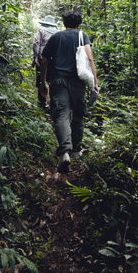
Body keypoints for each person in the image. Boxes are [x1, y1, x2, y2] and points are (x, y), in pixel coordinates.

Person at [38, 11, 99, 173]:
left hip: (57, 81)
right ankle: (76, 150)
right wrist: (95, 83)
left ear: (64, 23)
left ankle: (65, 151)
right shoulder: (82, 35)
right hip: (78, 81)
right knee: (79, 113)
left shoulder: (56, 37)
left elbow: (44, 60)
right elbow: (90, 59)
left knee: (62, 114)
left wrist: (43, 83)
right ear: (79, 23)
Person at [31, 15, 59, 108]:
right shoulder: (58, 33)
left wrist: (36, 57)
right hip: (54, 61)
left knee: (40, 81)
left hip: (42, 59)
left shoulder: (41, 31)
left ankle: (42, 105)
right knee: (53, 82)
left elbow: (36, 43)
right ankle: (53, 105)